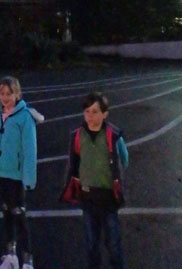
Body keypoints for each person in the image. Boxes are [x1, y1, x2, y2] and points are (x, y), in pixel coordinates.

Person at [62, 91, 128, 269]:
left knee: (113, 244)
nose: (90, 116)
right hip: (87, 198)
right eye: (87, 112)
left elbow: (125, 158)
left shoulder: (113, 136)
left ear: (105, 114)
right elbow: (73, 163)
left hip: (108, 199)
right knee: (92, 245)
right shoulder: (77, 135)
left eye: (95, 111)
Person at [0, 76, 43, 269]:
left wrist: (29, 178)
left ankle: (27, 259)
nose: (5, 97)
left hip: (16, 176)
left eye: (9, 93)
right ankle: (11, 255)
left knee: (19, 215)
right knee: (7, 214)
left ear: (17, 95)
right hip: (1, 174)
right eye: (2, 93)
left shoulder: (25, 118)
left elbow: (29, 150)